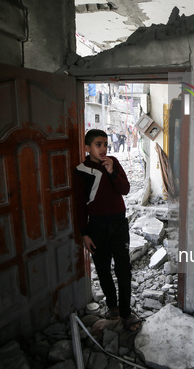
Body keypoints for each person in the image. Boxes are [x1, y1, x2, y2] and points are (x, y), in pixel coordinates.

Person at [73, 129, 142, 332]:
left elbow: (125, 189)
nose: (103, 148)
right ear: (87, 148)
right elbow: (79, 205)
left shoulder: (113, 162)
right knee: (102, 268)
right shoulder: (81, 170)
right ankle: (112, 306)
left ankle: (126, 312)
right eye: (98, 144)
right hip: (97, 226)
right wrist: (84, 234)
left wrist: (112, 172)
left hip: (119, 224)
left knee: (123, 268)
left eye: (105, 144)